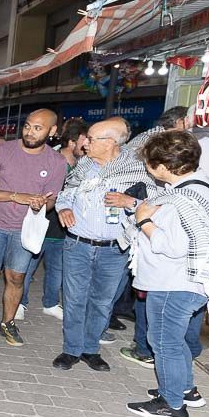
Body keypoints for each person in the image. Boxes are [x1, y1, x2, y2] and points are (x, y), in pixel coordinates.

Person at [125, 131, 209, 417]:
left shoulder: (184, 198)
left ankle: (171, 404)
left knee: (164, 341)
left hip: (175, 282)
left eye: (150, 163)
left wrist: (144, 221)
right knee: (175, 340)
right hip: (187, 282)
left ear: (162, 166)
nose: (148, 169)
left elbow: (172, 245)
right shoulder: (197, 185)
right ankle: (185, 389)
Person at [52, 117, 155, 372]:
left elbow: (153, 205)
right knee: (74, 299)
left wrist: (128, 202)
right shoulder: (84, 164)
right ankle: (71, 350)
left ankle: (90, 349)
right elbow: (66, 192)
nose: (84, 143)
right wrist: (63, 207)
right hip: (77, 244)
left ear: (109, 142)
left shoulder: (138, 168)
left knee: (102, 301)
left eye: (91, 138)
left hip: (114, 248)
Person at [0, 110, 65, 352]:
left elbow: (52, 201)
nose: (30, 132)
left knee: (16, 278)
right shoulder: (2, 151)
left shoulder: (56, 162)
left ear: (52, 132)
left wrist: (40, 203)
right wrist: (18, 197)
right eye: (27, 126)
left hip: (25, 229)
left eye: (38, 128)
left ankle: (8, 323)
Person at [21, 118, 87, 320]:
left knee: (56, 269)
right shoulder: (51, 161)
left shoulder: (82, 166)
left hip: (64, 230)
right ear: (72, 142)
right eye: (84, 144)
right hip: (41, 225)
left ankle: (50, 303)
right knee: (27, 267)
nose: (86, 149)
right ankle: (20, 303)